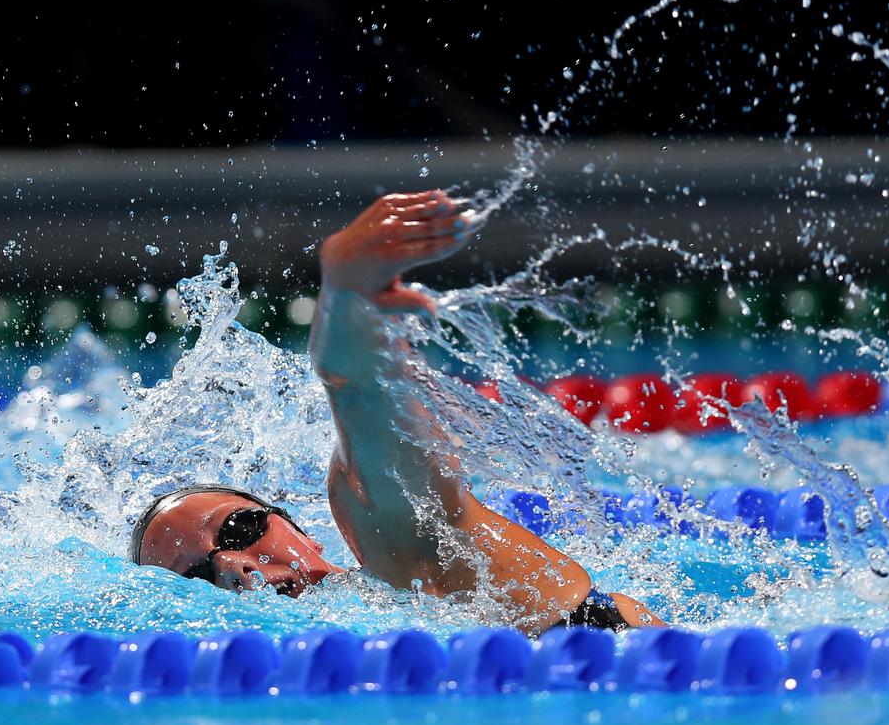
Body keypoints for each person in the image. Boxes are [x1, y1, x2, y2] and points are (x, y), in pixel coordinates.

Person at [130, 190, 663, 634]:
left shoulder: (409, 555)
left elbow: (360, 391)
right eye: (194, 578)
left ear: (303, 533)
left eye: (240, 529)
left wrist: (345, 291)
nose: (231, 566)